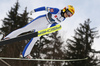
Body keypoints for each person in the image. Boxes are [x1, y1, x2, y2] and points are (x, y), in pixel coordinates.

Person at [4, 5, 75, 59]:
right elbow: (44, 8)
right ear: (65, 9)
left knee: (35, 39)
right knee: (24, 29)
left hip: (45, 26)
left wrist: (51, 29)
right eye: (69, 13)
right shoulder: (56, 11)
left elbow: (54, 23)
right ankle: (8, 37)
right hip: (41, 20)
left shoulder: (63, 19)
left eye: (71, 15)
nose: (68, 16)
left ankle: (25, 54)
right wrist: (34, 10)